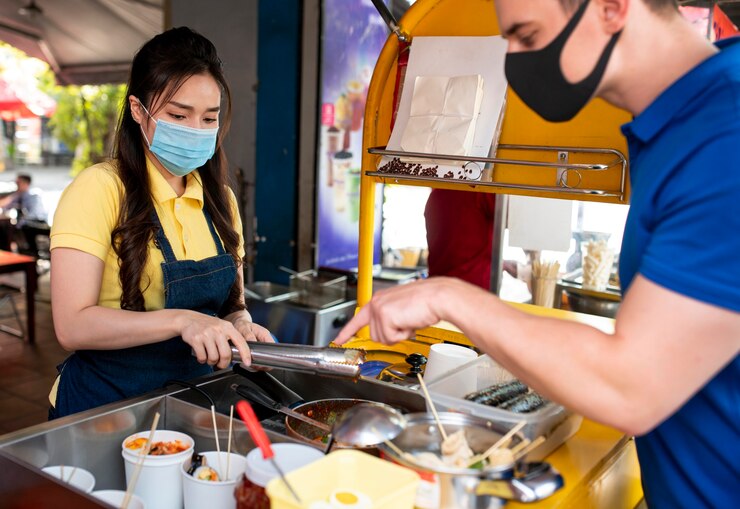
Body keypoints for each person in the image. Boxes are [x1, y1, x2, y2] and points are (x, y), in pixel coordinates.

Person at [337, 1, 740, 507]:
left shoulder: (725, 132)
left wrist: (449, 296)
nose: (512, 60)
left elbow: (631, 384)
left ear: (612, 8)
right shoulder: (682, 122)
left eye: (526, 35)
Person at [48, 27, 273, 419]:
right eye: (177, 115)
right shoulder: (100, 189)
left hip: (195, 405)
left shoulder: (221, 201)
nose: (196, 130)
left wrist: (241, 323)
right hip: (103, 410)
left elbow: (232, 304)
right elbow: (71, 325)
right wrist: (181, 321)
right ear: (139, 110)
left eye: (209, 118)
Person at [424, 189, 496, 290]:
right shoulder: (481, 191)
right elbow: (512, 217)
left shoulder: (436, 193)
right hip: (470, 288)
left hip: (438, 284)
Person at [0, 173, 48, 252]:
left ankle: (31, 253)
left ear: (26, 183)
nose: (17, 185)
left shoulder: (33, 195)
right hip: (27, 224)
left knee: (19, 228)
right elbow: (4, 204)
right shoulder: (19, 195)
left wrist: (21, 223)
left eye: (18, 183)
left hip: (37, 223)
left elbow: (35, 214)